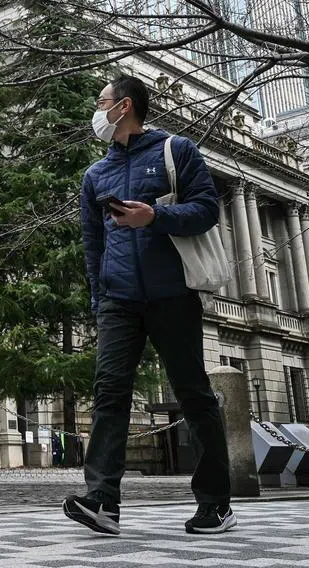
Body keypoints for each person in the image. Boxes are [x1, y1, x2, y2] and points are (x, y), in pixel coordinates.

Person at [62, 76, 236, 536]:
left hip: (173, 293)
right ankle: (102, 502)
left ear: (122, 107)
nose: (95, 111)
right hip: (118, 300)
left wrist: (155, 216)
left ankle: (216, 502)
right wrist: (100, 300)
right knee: (109, 395)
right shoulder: (95, 174)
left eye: (100, 102)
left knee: (193, 394)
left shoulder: (176, 150)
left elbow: (206, 210)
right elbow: (92, 243)